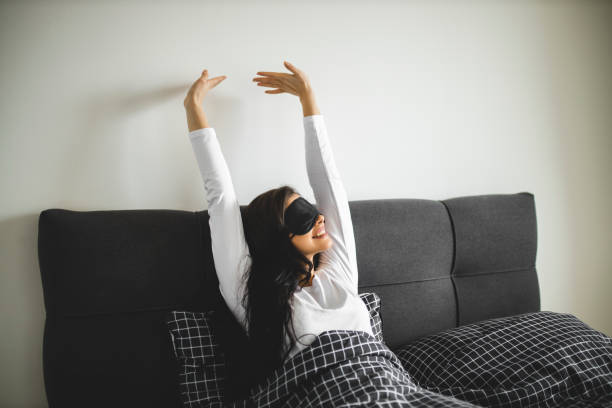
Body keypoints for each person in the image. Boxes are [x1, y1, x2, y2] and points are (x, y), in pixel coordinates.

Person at [183, 61, 374, 381]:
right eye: (300, 216)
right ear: (276, 236)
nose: (319, 219)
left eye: (312, 210)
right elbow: (221, 200)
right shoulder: (254, 295)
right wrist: (193, 108)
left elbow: (330, 186)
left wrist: (308, 99)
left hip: (382, 379)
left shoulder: (338, 273)